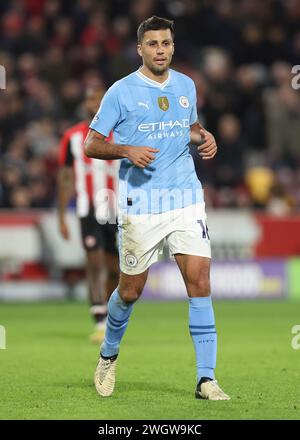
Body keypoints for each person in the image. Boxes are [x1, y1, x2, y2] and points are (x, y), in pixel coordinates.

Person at [84, 16, 230, 400]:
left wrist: (204, 137)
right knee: (130, 291)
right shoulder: (121, 91)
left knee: (199, 281)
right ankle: (109, 354)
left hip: (185, 197)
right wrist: (126, 149)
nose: (160, 50)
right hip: (141, 204)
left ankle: (206, 378)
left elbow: (190, 127)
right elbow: (91, 144)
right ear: (140, 49)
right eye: (153, 44)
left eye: (166, 43)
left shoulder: (187, 85)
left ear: (173, 46)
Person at [58, 86, 119, 344]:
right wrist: (61, 214)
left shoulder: (121, 133)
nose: (93, 102)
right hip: (89, 209)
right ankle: (99, 321)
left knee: (116, 270)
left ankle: (110, 314)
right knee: (94, 263)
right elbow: (65, 177)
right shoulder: (72, 137)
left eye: (98, 98)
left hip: (117, 211)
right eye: (89, 98)